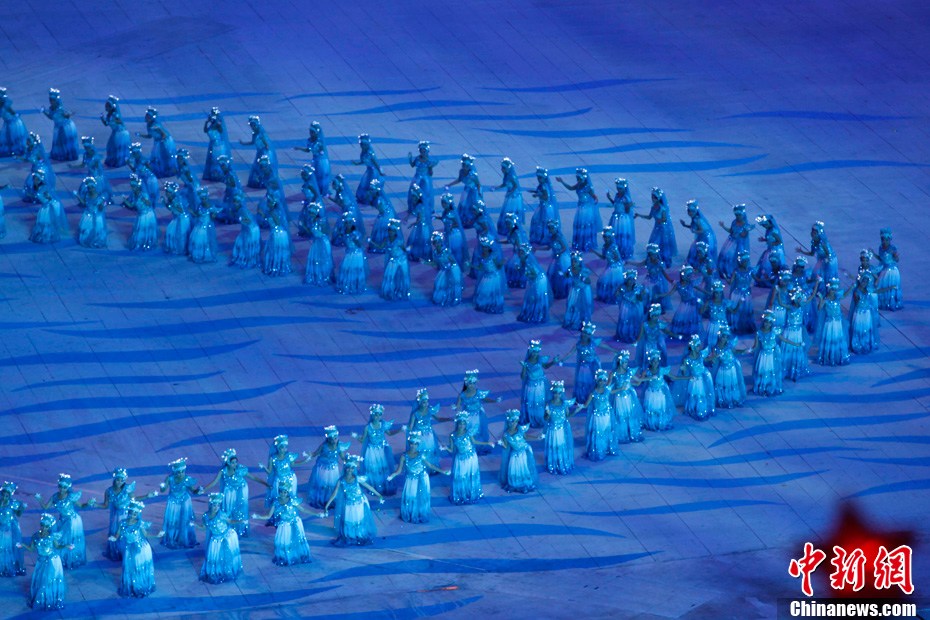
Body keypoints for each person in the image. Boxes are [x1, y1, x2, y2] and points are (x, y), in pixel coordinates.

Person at [203, 448, 268, 537]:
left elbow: (253, 477)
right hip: (229, 493)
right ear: (228, 462)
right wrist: (204, 489)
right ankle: (228, 529)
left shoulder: (240, 469)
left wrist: (265, 483)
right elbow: (214, 482)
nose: (235, 464)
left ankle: (240, 530)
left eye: (236, 462)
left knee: (241, 510)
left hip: (241, 491)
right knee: (228, 510)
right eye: (233, 462)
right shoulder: (223, 471)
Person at [322, 455, 383, 546]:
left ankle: (358, 534)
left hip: (358, 503)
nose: (350, 470)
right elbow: (334, 493)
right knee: (349, 520)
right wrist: (327, 505)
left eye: (352, 468)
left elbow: (368, 487)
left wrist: (378, 494)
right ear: (345, 468)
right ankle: (350, 535)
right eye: (348, 467)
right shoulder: (341, 481)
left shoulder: (357, 479)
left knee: (357, 519)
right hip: (348, 504)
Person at [388, 432, 449, 523]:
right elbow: (399, 470)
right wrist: (392, 475)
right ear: (409, 444)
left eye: (416, 444)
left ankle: (420, 513)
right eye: (412, 443)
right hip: (411, 479)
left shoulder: (421, 455)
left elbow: (430, 465)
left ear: (418, 445)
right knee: (411, 496)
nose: (413, 446)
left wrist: (442, 471)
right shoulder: (404, 456)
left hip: (422, 478)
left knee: (421, 496)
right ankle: (411, 513)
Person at [18, 514, 71, 610]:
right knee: (41, 580)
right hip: (41, 561)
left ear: (49, 527)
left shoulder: (52, 537)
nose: (44, 528)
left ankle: (50, 600)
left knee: (48, 580)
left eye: (46, 526)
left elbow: (57, 546)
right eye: (42, 525)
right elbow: (31, 549)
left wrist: (66, 546)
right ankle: (42, 599)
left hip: (52, 560)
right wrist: (23, 545)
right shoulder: (35, 536)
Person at [33, 474, 87, 569]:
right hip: (62, 520)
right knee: (61, 538)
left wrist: (89, 504)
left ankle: (71, 559)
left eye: (64, 487)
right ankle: (64, 558)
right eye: (60, 486)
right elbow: (46, 507)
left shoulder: (70, 497)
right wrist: (40, 500)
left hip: (72, 520)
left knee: (69, 539)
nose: (62, 489)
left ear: (68, 487)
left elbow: (81, 506)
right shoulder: (55, 497)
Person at [110, 500, 160, 597]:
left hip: (141, 548)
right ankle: (131, 586)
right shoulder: (122, 523)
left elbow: (146, 535)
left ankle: (140, 586)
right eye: (131, 512)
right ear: (128, 512)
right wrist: (114, 538)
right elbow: (117, 534)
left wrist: (157, 536)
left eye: (135, 513)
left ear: (138, 514)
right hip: (129, 548)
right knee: (129, 567)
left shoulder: (140, 523)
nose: (133, 515)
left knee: (138, 567)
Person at [250, 489, 313, 566]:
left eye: (285, 492)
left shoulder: (292, 500)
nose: (283, 494)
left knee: (295, 540)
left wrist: (316, 514)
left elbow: (303, 509)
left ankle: (296, 556)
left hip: (295, 523)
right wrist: (258, 516)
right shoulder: (276, 502)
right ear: (279, 492)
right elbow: (268, 516)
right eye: (281, 492)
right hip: (284, 525)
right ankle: (285, 557)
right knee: (283, 542)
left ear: (287, 493)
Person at [193, 494, 242, 583]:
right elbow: (204, 528)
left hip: (227, 536)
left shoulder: (222, 515)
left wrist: (241, 521)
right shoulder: (205, 516)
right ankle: (218, 572)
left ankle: (226, 572)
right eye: (214, 505)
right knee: (216, 558)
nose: (216, 507)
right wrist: (195, 525)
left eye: (218, 505)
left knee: (226, 556)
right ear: (210, 505)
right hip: (215, 539)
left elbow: (230, 521)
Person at [158, 458, 203, 549]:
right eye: (179, 472)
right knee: (173, 521)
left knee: (185, 521)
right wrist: (162, 487)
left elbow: (193, 491)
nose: (181, 474)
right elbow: (163, 490)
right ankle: (172, 538)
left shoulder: (187, 479)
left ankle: (184, 539)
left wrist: (198, 490)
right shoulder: (170, 479)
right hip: (173, 503)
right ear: (175, 472)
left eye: (183, 471)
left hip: (185, 502)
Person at [498, 410, 538, 493]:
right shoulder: (506, 435)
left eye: (515, 422)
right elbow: (506, 446)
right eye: (511, 422)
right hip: (514, 454)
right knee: (514, 469)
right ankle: (515, 484)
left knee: (523, 468)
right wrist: (501, 444)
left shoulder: (520, 430)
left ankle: (524, 483)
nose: (513, 424)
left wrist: (536, 438)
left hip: (523, 453)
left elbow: (526, 437)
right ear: (508, 422)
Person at [42, 88, 79, 161]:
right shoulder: (51, 108)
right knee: (59, 141)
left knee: (64, 141)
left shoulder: (60, 109)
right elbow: (51, 117)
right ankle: (61, 155)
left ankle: (68, 155)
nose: (51, 102)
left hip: (65, 127)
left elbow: (67, 115)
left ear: (56, 100)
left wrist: (70, 114)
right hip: (58, 127)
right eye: (50, 100)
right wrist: (44, 112)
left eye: (52, 100)